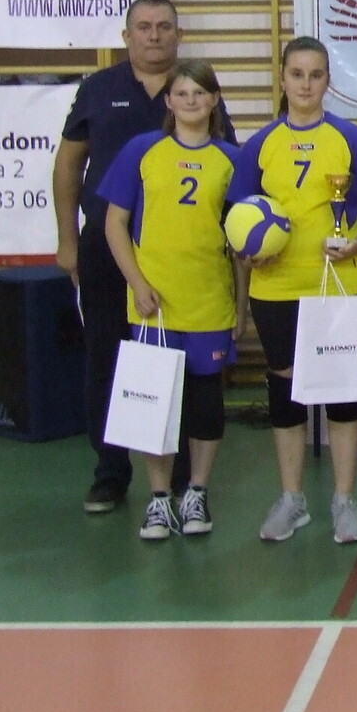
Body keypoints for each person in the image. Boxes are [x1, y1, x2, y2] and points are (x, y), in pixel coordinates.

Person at [54, 0, 235, 515]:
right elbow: (68, 166)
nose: (154, 35)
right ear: (126, 35)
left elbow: (228, 171)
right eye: (143, 27)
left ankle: (179, 478)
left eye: (163, 27)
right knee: (108, 356)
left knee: (176, 361)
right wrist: (67, 240)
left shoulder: (194, 88)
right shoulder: (98, 89)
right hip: (108, 243)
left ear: (178, 34)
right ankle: (111, 472)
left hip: (178, 252)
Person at [227, 36, 357, 544]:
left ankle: (344, 500)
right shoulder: (260, 145)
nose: (305, 84)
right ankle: (292, 499)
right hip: (276, 286)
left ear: (328, 80)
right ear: (282, 78)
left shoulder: (351, 139)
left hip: (339, 285)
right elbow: (237, 217)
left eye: (316, 74)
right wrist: (249, 252)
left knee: (342, 391)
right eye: (297, 74)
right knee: (285, 391)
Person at [99, 60, 247, 540]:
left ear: (214, 100)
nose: (190, 101)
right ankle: (160, 498)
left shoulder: (231, 160)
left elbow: (243, 241)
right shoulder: (142, 151)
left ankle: (196, 492)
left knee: (205, 403)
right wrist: (137, 283)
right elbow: (114, 224)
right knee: (155, 403)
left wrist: (242, 305)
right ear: (168, 101)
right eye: (181, 93)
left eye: (199, 93)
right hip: (154, 304)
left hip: (209, 300)